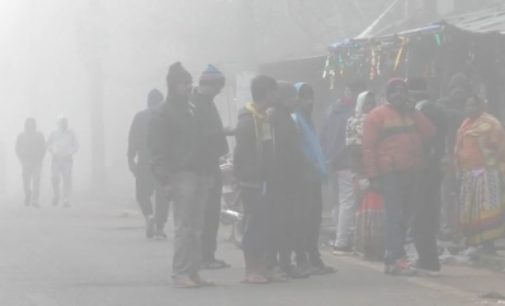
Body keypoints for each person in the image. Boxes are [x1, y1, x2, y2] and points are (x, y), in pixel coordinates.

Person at [148, 62, 212, 288]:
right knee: (184, 227)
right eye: (185, 83)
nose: (189, 87)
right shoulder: (162, 114)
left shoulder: (192, 109)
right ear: (173, 86)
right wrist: (164, 180)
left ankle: (194, 271)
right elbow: (157, 151)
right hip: (180, 175)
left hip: (199, 173)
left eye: (189, 82)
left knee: (197, 227)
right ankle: (180, 272)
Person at [362, 78, 436, 276]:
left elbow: (430, 133)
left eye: (402, 91)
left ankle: (394, 258)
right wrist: (373, 176)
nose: (399, 95)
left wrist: (414, 111)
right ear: (388, 95)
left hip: (412, 171)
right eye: (394, 92)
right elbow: (368, 148)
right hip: (391, 173)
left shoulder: (411, 113)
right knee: (394, 216)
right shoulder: (376, 116)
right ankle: (395, 259)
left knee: (404, 217)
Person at [234, 75, 278, 284]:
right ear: (267, 92)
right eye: (274, 91)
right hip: (251, 180)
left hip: (265, 178)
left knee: (264, 224)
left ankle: (261, 267)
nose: (276, 96)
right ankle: (250, 270)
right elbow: (241, 154)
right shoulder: (247, 120)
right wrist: (244, 178)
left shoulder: (263, 117)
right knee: (253, 224)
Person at [291, 82, 336, 275]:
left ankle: (313, 257)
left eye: (311, 97)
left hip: (314, 177)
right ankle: (302, 259)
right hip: (302, 178)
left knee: (314, 219)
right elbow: (298, 151)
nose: (309, 101)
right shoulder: (295, 119)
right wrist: (312, 165)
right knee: (304, 220)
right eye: (304, 97)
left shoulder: (308, 120)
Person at [455, 94, 505, 254]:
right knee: (470, 210)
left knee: (487, 209)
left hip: (486, 173)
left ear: (480, 106)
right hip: (468, 173)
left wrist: (496, 168)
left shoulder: (491, 124)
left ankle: (488, 245)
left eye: (473, 105)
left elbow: (501, 148)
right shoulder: (465, 123)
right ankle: (473, 243)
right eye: (468, 105)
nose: (470, 108)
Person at [320, 80, 367, 253]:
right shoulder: (352, 115)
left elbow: (323, 136)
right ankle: (342, 240)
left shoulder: (331, 111)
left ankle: (342, 237)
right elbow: (346, 141)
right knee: (348, 200)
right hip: (347, 161)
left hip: (332, 161)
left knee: (339, 200)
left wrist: (326, 158)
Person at [192, 65, 230, 270]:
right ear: (209, 85)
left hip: (211, 163)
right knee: (206, 212)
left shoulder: (206, 102)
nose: (219, 92)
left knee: (211, 211)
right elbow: (200, 135)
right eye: (218, 87)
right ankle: (204, 256)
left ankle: (208, 254)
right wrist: (221, 132)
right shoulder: (196, 104)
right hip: (203, 165)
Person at [409, 77, 445, 275]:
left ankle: (426, 258)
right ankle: (430, 258)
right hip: (436, 167)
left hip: (422, 168)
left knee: (420, 215)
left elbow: (422, 139)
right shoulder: (437, 109)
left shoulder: (419, 111)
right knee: (430, 214)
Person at [345, 91, 382, 260]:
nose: (370, 106)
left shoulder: (380, 120)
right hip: (361, 171)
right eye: (367, 103)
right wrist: (363, 172)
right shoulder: (353, 122)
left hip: (379, 170)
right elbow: (352, 149)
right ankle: (362, 245)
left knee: (378, 208)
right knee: (362, 208)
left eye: (372, 102)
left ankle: (378, 246)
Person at [128, 88, 170, 239]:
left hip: (144, 161)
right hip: (163, 162)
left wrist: (130, 159)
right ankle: (159, 227)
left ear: (148, 102)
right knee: (163, 195)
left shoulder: (139, 117)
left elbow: (132, 140)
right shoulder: (167, 117)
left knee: (142, 193)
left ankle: (149, 215)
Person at [47, 116, 78, 207]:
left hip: (67, 159)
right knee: (55, 178)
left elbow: (76, 145)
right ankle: (56, 194)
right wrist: (52, 151)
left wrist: (70, 152)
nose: (64, 124)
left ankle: (66, 199)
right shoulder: (53, 133)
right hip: (56, 159)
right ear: (58, 123)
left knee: (67, 179)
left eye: (65, 122)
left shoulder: (71, 133)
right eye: (62, 122)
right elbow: (48, 144)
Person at [15, 118, 46, 207]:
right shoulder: (21, 136)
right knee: (26, 182)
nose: (30, 126)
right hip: (26, 162)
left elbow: (43, 147)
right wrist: (21, 157)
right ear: (26, 125)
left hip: (37, 162)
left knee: (36, 181)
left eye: (32, 124)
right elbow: (17, 148)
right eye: (29, 124)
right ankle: (28, 194)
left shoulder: (39, 135)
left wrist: (40, 158)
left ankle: (35, 200)